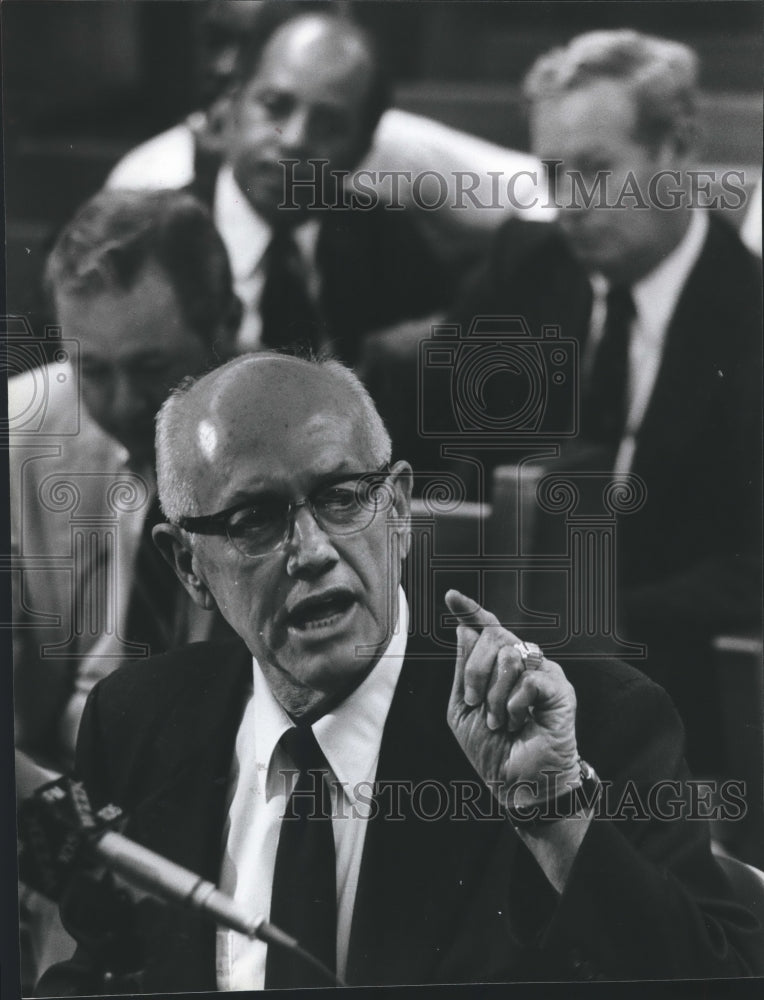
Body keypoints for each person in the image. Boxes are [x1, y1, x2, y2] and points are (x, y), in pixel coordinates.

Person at [37, 353, 764, 994]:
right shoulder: (136, 722)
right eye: (255, 518)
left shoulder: (592, 722)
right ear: (187, 566)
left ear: (400, 508)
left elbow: (721, 983)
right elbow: (103, 969)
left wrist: (554, 818)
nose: (312, 549)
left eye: (342, 497)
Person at [442, 30, 762, 776]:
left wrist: (589, 621)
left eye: (595, 172)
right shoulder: (524, 271)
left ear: (677, 151)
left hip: (680, 703)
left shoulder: (749, 316)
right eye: (554, 175)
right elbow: (445, 457)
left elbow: (754, 563)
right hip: (500, 678)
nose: (571, 206)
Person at [11, 188, 240, 780]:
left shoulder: (289, 442)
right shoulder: (16, 433)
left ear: (225, 327)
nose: (122, 402)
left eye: (150, 369)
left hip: (219, 788)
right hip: (47, 774)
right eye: (92, 370)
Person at [107, 0, 552, 272]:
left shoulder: (388, 143)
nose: (222, 67)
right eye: (220, 40)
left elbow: (541, 188)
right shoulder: (149, 181)